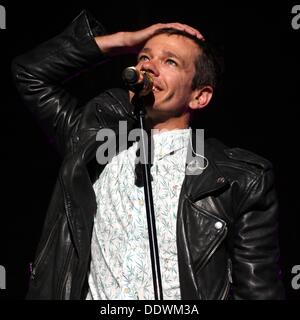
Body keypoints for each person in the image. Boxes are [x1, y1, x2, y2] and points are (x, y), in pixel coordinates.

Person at [12, 10, 284, 300]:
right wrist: (126, 41)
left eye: (170, 61)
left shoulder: (239, 178)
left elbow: (259, 293)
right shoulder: (91, 143)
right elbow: (29, 72)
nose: (150, 67)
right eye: (144, 57)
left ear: (199, 96)